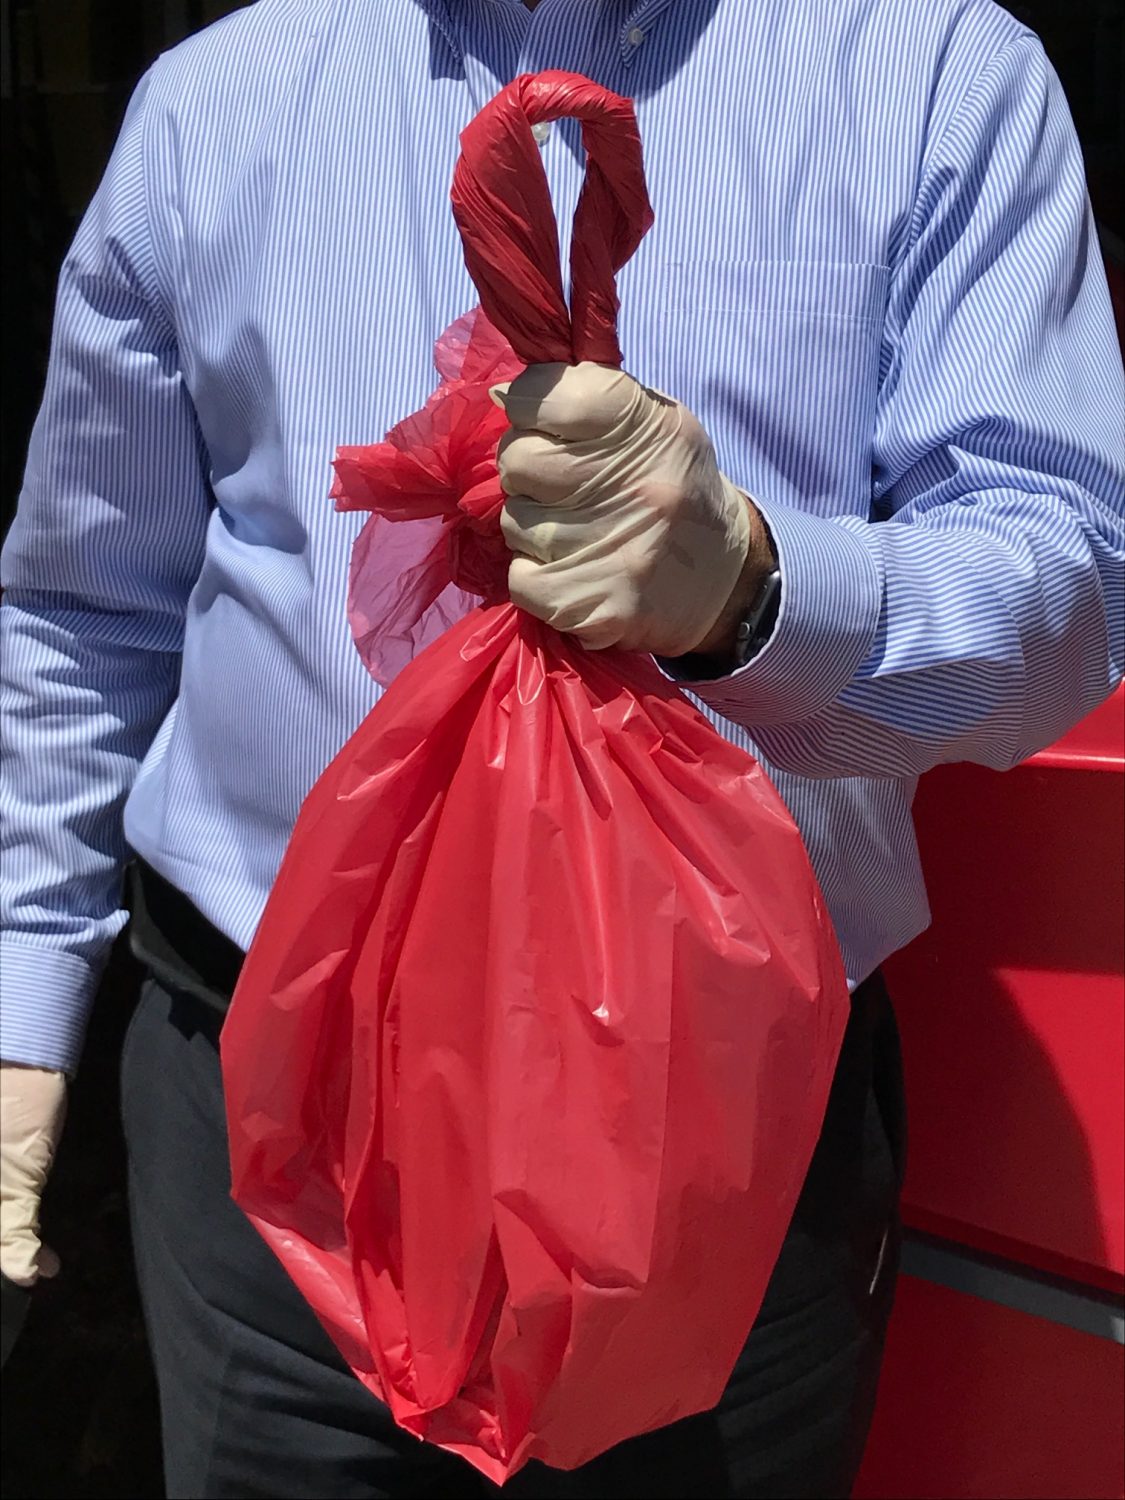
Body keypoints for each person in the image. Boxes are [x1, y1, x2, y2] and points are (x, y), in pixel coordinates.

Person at [1, 1, 1122, 1496]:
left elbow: (1069, 586)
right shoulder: (216, 101)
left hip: (723, 1121)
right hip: (280, 1115)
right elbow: (86, 613)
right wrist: (24, 1000)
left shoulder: (927, 68)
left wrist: (755, 590)